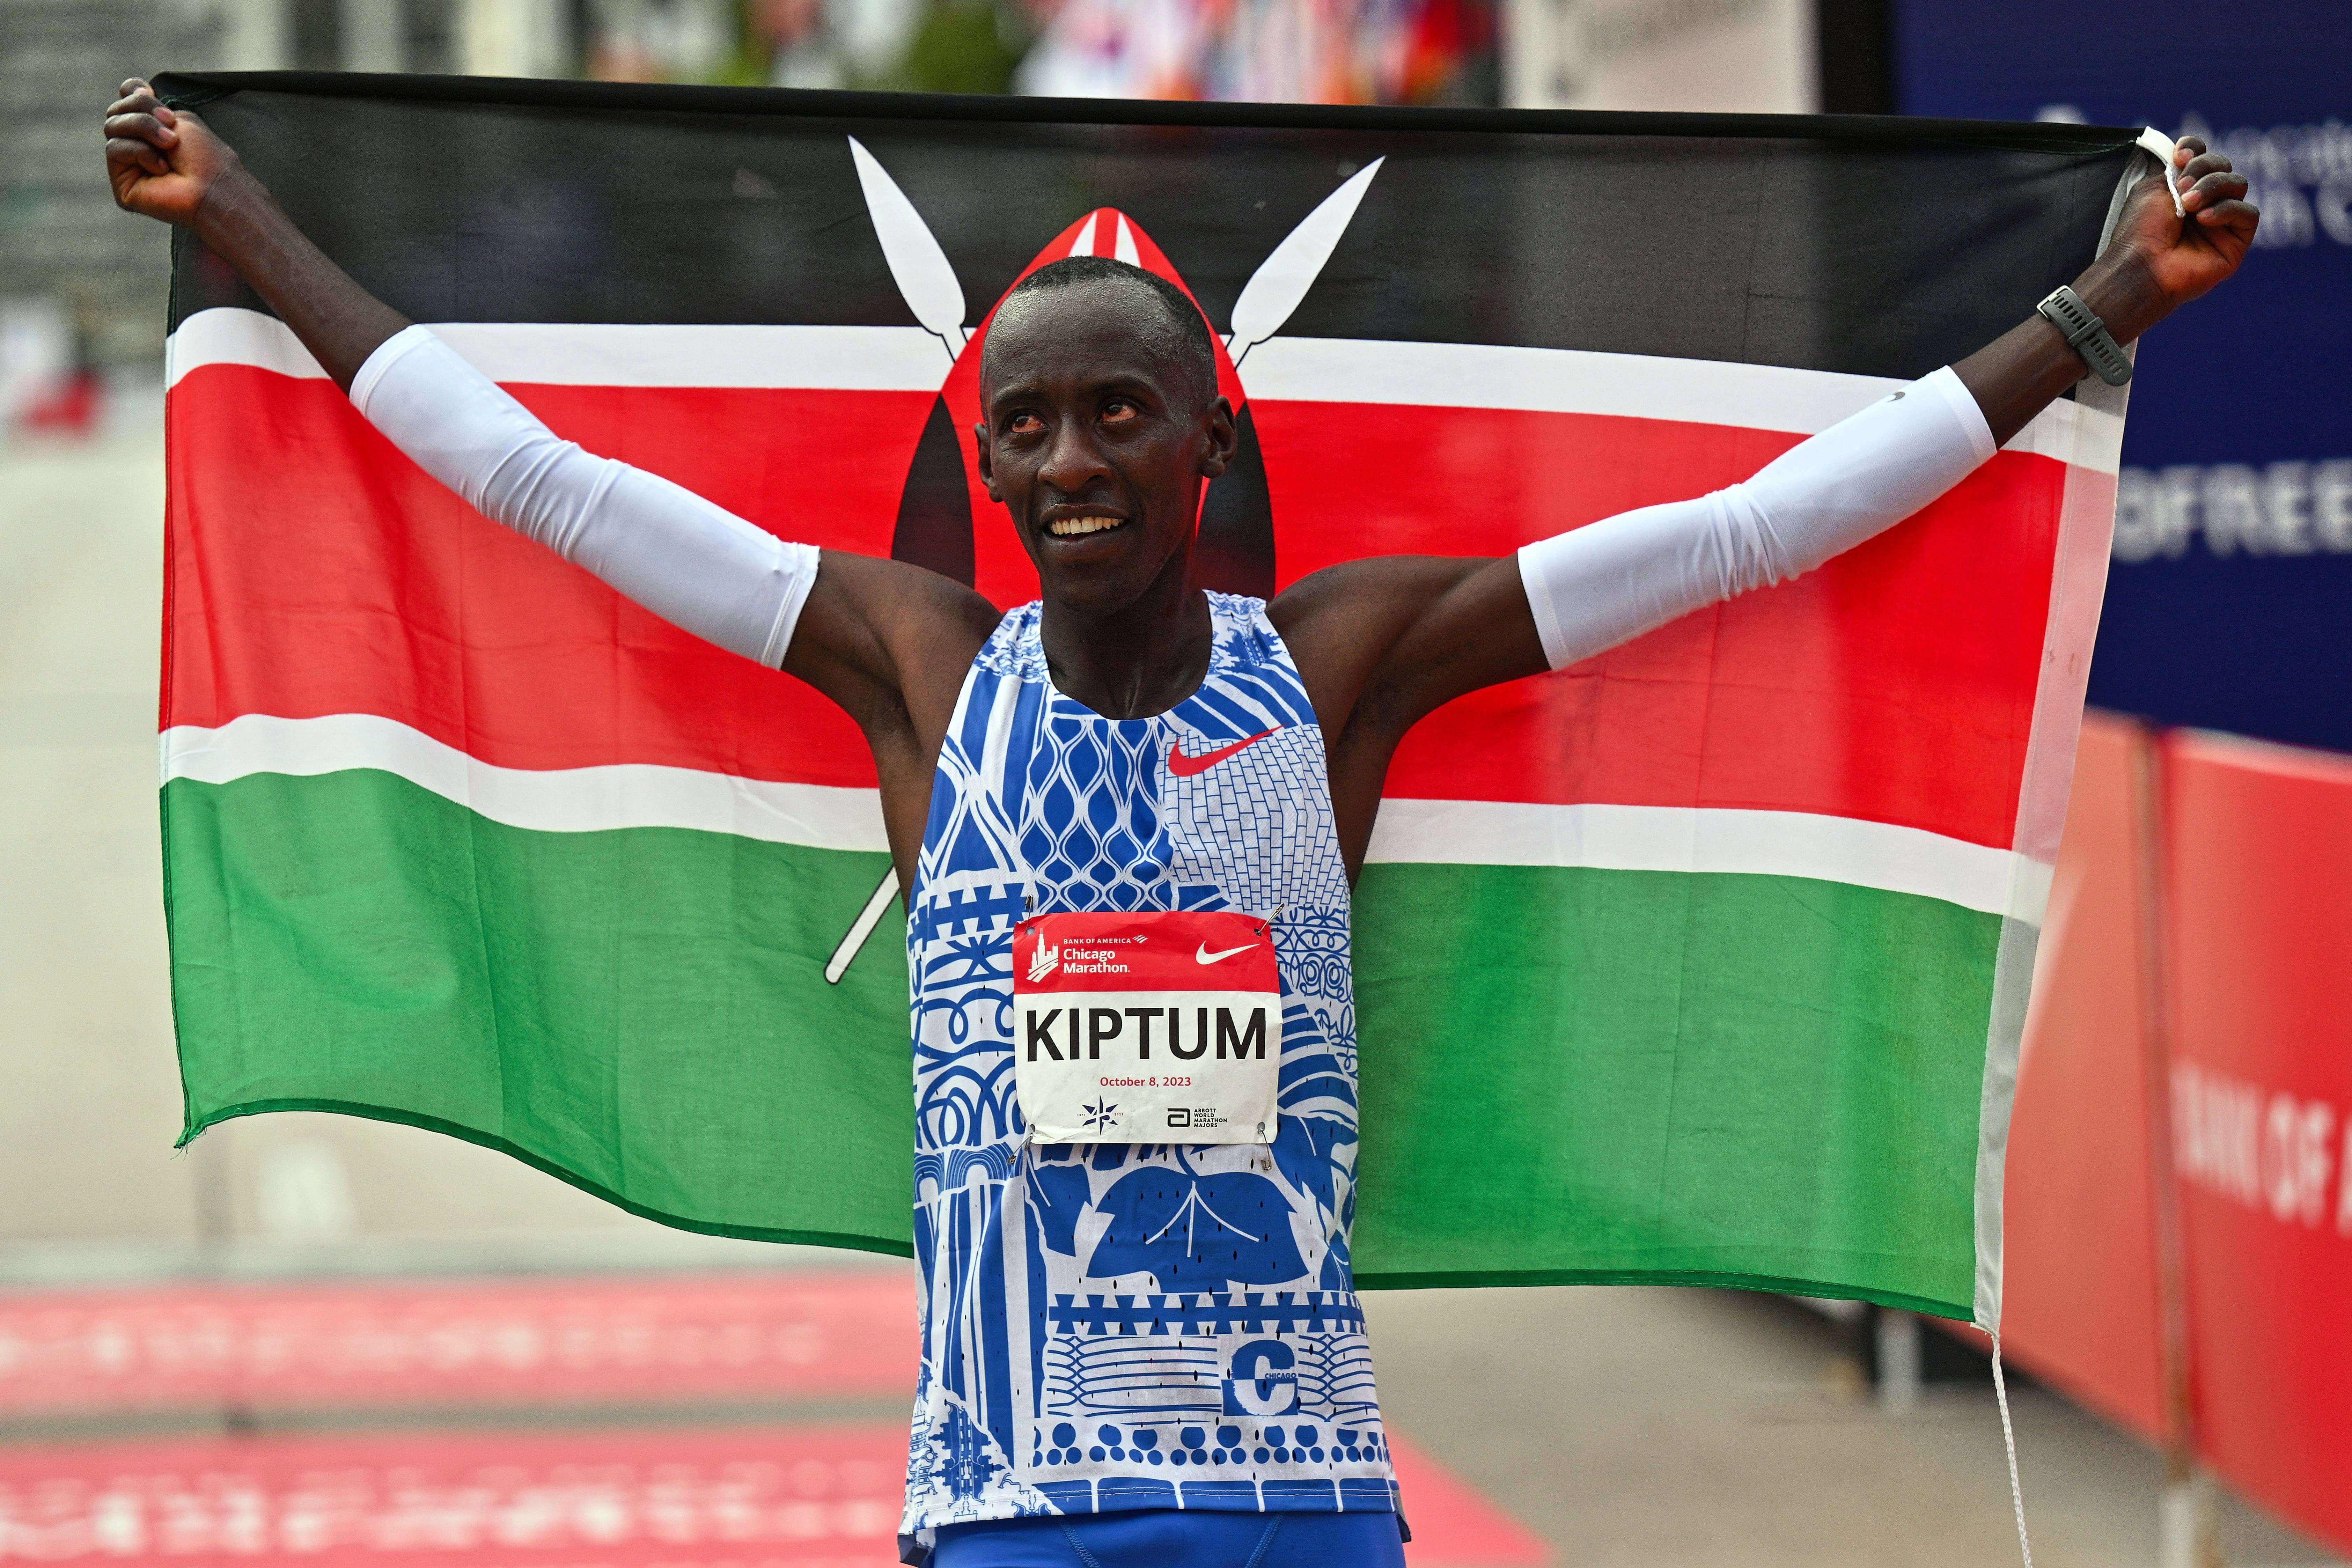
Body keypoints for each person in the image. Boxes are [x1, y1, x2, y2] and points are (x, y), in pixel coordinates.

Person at [105, 79, 2254, 1568]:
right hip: (1008, 1498)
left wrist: (2097, 316)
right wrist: (243, 222)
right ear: (984, 454)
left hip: (1295, 1499)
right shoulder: (917, 666)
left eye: (1116, 410)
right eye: (1022, 422)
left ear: (1209, 431)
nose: (1067, 462)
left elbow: (1748, 531)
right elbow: (537, 479)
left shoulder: (1329, 669)